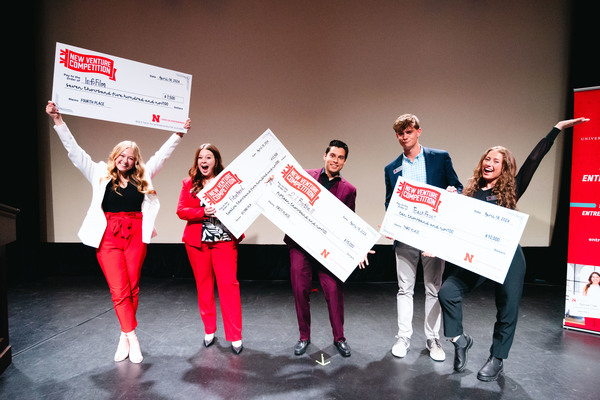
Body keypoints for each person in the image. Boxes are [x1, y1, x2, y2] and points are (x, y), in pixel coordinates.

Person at [438, 117, 590, 381]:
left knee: (507, 308)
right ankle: (459, 340)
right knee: (447, 292)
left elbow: (533, 161)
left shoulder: (512, 189)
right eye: (487, 159)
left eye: (496, 161)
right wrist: (450, 200)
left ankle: (497, 359)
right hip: (478, 256)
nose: (489, 163)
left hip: (507, 257)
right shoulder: (469, 193)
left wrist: (556, 129)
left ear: (504, 168)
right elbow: (455, 226)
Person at [45, 101, 190, 363]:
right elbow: (74, 151)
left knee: (132, 287)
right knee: (118, 288)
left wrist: (178, 133)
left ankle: (124, 334)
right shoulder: (99, 172)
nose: (125, 160)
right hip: (108, 235)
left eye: (130, 157)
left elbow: (162, 156)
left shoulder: (143, 175)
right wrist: (58, 120)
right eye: (122, 155)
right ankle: (133, 337)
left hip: (136, 233)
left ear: (135, 161)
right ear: (115, 156)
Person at [384, 114, 462, 361]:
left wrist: (453, 193)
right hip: (406, 236)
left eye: (408, 131)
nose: (404, 137)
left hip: (433, 237)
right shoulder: (391, 168)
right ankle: (403, 337)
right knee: (404, 289)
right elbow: (390, 202)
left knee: (433, 289)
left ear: (418, 131)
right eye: (400, 133)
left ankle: (433, 338)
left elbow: (457, 187)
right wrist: (391, 223)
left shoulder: (440, 157)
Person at [286, 140, 361, 357]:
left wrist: (359, 247)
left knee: (334, 292)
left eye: (340, 157)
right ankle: (304, 337)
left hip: (329, 250)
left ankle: (339, 338)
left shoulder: (349, 190)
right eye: (332, 155)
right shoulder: (305, 176)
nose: (335, 160)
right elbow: (286, 193)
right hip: (301, 245)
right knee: (300, 291)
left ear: (344, 162)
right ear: (325, 156)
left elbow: (349, 223)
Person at [177, 143, 244, 354]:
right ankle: (209, 330)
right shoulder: (189, 183)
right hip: (198, 243)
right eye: (200, 158)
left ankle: (235, 335)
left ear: (216, 160)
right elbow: (181, 211)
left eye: (208, 157)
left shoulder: (227, 182)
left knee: (229, 286)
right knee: (204, 287)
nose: (203, 161)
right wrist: (202, 212)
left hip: (223, 240)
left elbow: (244, 202)